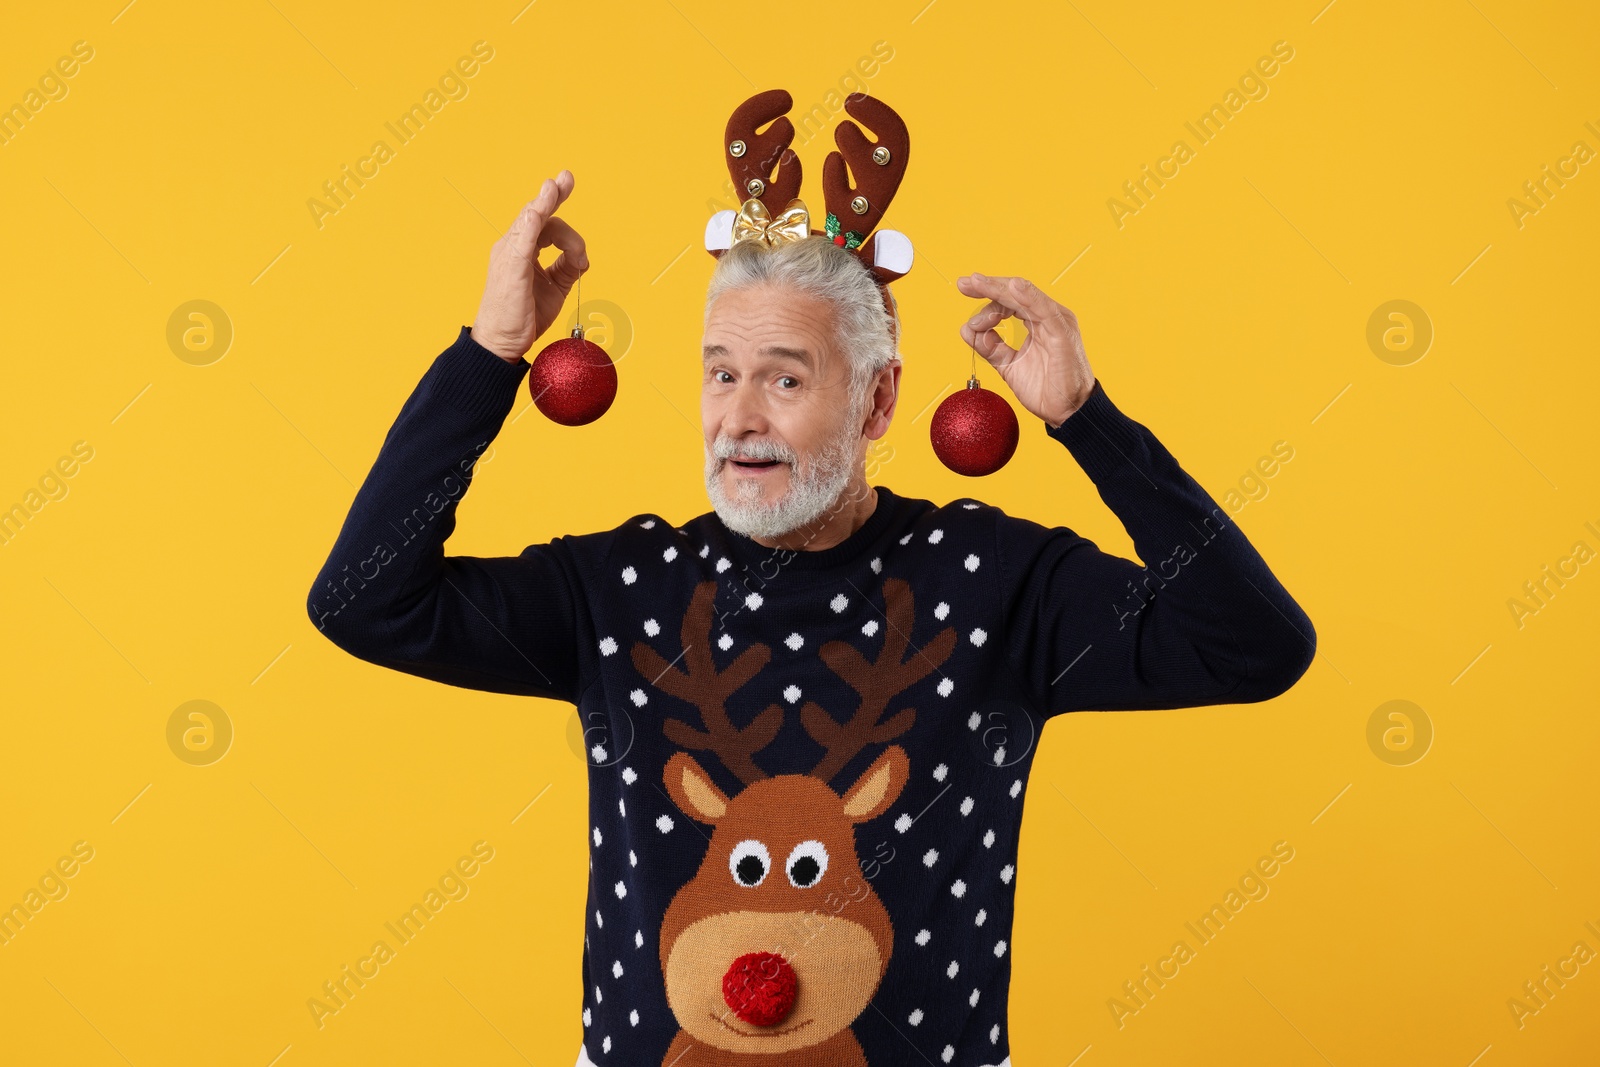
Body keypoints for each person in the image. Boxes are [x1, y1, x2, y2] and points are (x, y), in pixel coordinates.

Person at [307, 164, 1315, 1067]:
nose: (737, 417)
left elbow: (1256, 645)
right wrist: (491, 351)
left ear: (877, 403)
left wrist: (1088, 421)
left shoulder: (999, 581)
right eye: (719, 371)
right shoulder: (616, 588)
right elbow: (361, 600)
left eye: (784, 378)